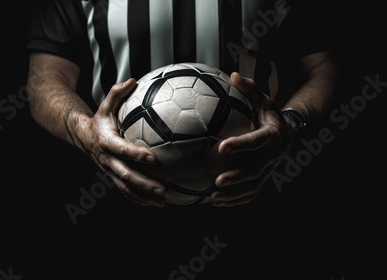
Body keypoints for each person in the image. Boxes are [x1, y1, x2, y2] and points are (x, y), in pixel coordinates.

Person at [25, 0, 337, 208]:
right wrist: (88, 135)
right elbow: (45, 78)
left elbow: (324, 67)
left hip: (260, 195)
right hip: (115, 202)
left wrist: (291, 124)